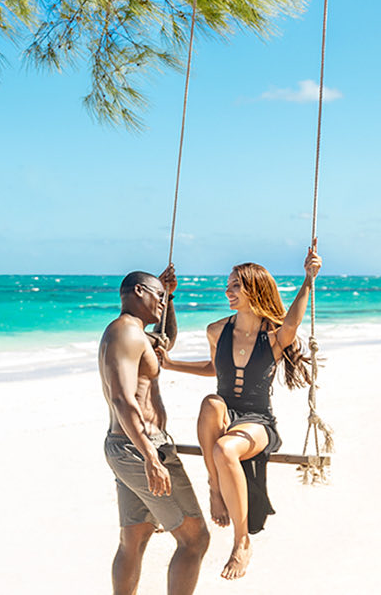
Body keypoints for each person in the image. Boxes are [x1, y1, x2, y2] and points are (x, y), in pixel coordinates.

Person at [158, 246, 321, 581]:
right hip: (224, 414)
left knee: (224, 448)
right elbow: (214, 368)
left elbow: (294, 318)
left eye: (235, 286)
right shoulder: (217, 330)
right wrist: (172, 363)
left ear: (253, 290)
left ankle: (242, 541)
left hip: (259, 421)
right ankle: (215, 488)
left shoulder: (274, 335)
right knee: (211, 402)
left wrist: (308, 279)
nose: (227, 291)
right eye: (228, 285)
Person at [98, 265, 210, 595]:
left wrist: (170, 297)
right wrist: (150, 455)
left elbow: (165, 344)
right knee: (194, 539)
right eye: (158, 296)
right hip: (140, 447)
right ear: (138, 292)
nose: (161, 303)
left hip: (126, 445)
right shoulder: (126, 333)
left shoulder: (133, 333)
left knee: (135, 536)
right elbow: (122, 398)